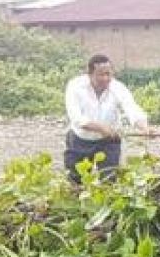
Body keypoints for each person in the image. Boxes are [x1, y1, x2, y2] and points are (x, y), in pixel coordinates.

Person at [63, 54, 149, 182]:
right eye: (101, 75)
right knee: (76, 180)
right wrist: (101, 128)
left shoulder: (117, 87)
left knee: (109, 179)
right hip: (80, 140)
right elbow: (76, 118)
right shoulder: (75, 86)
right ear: (90, 74)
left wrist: (144, 127)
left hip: (109, 140)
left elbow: (131, 108)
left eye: (108, 74)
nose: (106, 78)